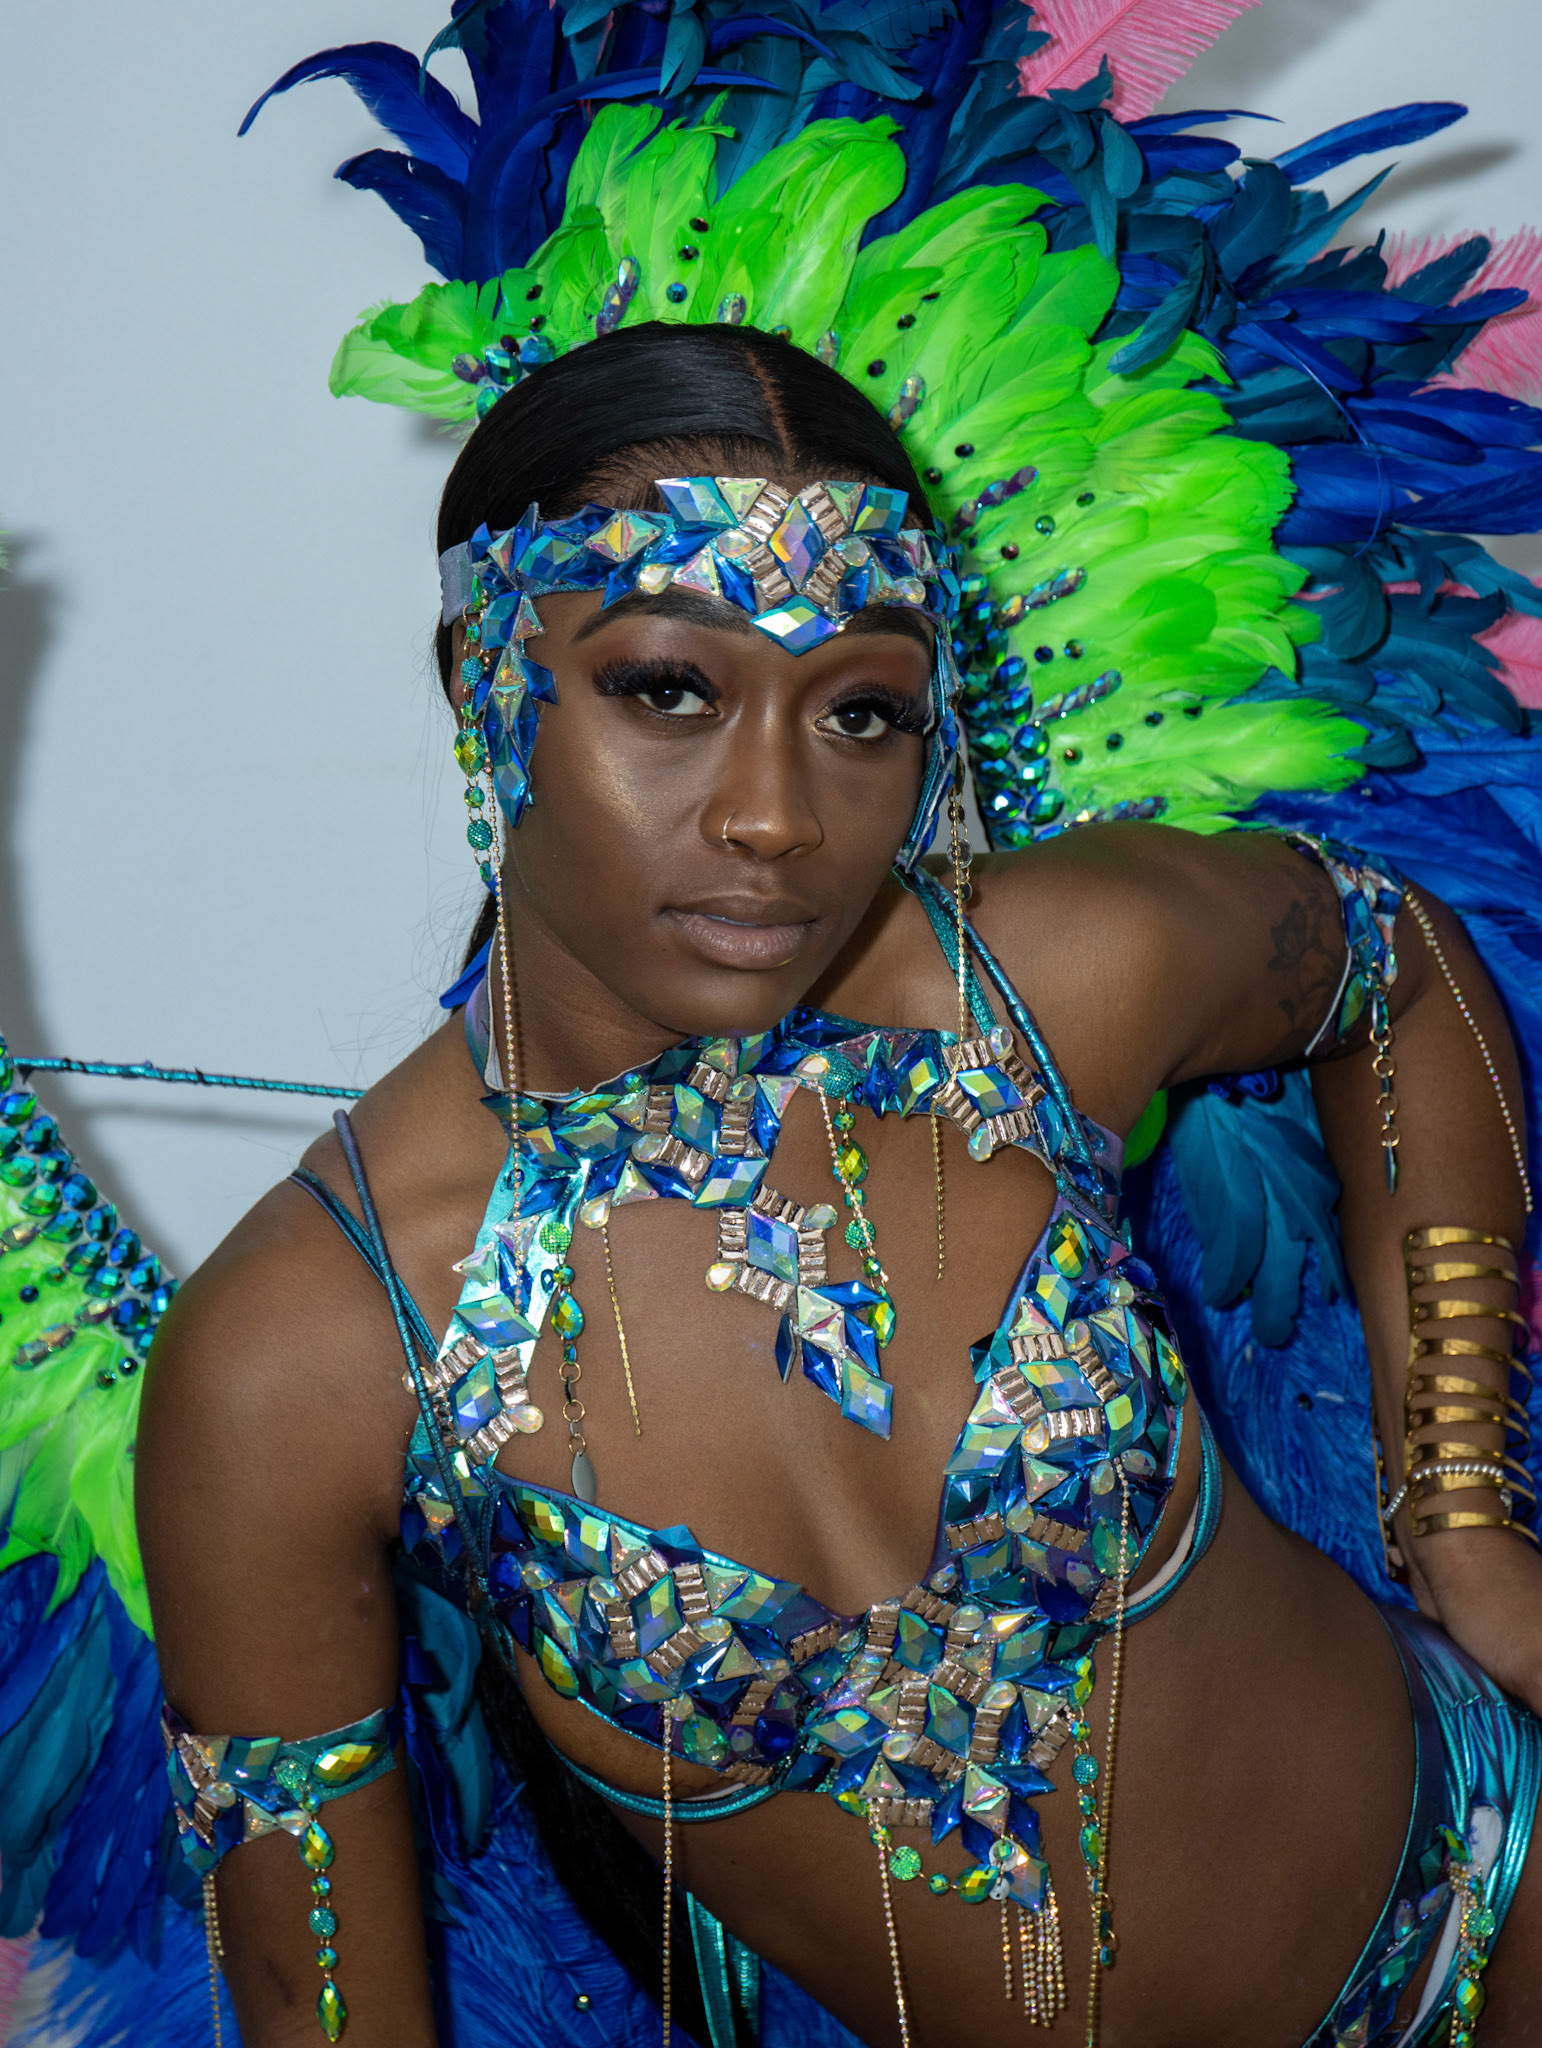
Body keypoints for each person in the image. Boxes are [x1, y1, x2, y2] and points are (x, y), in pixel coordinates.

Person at [4, 8, 1542, 2048]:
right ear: (482, 684)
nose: (774, 814)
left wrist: (1461, 1511)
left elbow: (1395, 963)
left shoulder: (1035, 992)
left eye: (862, 710)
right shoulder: (305, 1360)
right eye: (668, 688)